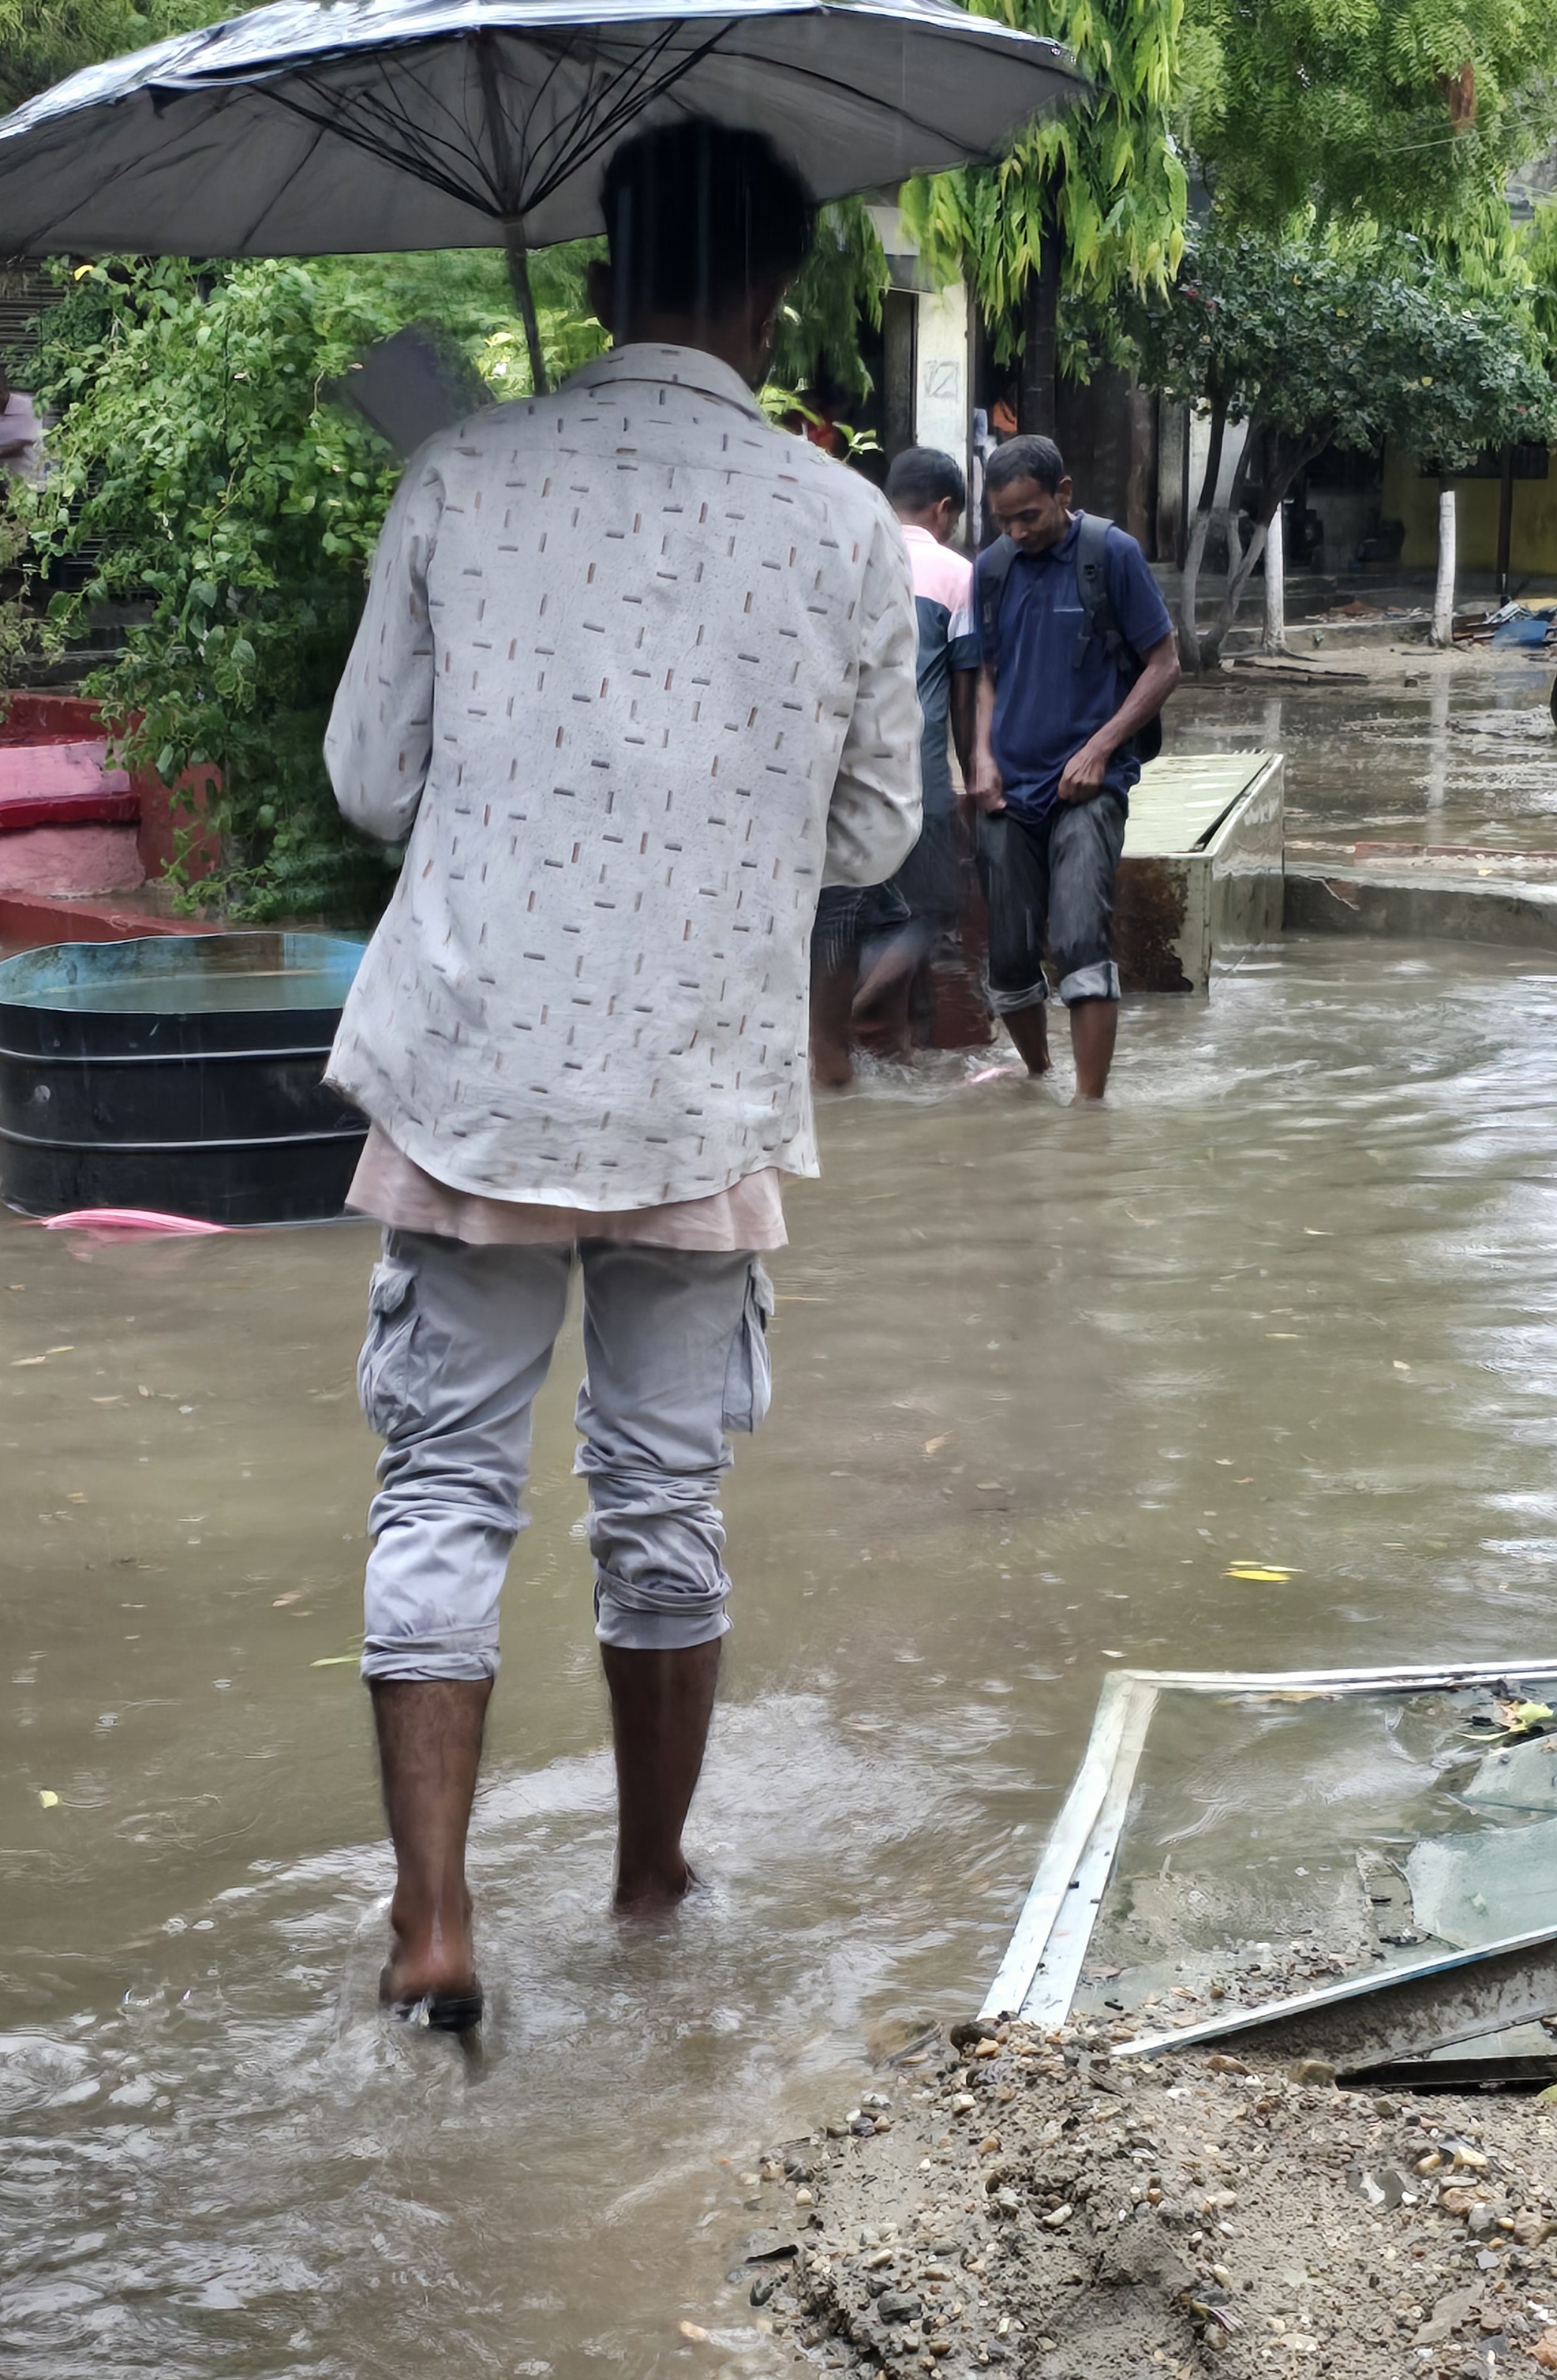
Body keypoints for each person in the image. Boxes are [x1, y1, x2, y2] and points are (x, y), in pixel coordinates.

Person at [322, 119, 921, 2029]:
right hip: (694, 1082)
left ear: (596, 281)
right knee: (660, 1500)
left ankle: (431, 1924)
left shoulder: (456, 471)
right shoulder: (841, 527)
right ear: (769, 298)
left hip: (473, 1070)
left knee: (442, 1492)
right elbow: (876, 834)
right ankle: (650, 1882)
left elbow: (369, 783)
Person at [967, 433, 1180, 1102]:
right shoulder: (993, 568)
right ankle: (1038, 1079)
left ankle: (1090, 1109)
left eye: (1028, 515)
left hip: (1089, 786)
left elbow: (1164, 663)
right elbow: (988, 677)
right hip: (1010, 789)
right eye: (1004, 519)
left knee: (1082, 935)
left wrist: (1100, 747)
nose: (1017, 530)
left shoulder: (1109, 554)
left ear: (1063, 494)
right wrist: (980, 756)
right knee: (1006, 951)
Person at [810, 445, 973, 1085]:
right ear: (944, 510)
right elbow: (965, 692)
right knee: (930, 910)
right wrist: (975, 778)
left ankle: (862, 1045)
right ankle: (859, 1009)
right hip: (918, 779)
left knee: (851, 916)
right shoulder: (957, 574)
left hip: (838, 783)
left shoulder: (845, 560)